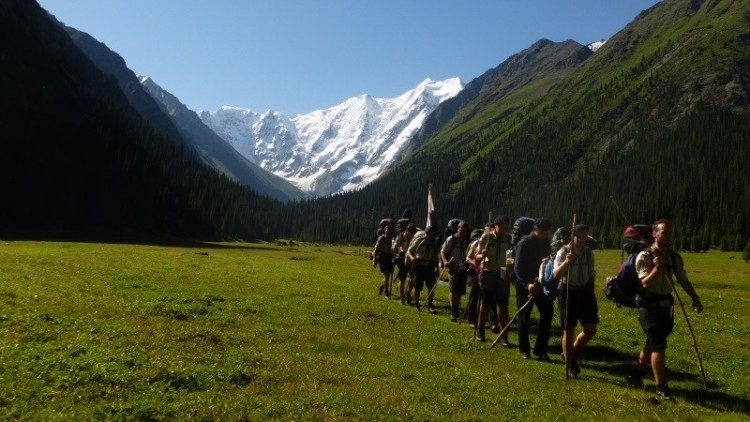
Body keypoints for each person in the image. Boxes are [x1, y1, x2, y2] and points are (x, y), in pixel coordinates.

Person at [628, 219, 703, 401]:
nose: (668, 236)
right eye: (664, 233)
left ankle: (636, 376)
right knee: (658, 345)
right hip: (648, 303)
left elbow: (683, 280)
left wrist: (694, 298)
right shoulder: (645, 256)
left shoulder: (675, 257)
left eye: (670, 233)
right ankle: (661, 388)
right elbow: (645, 282)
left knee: (652, 343)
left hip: (666, 305)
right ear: (654, 234)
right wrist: (657, 269)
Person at [553, 224, 598, 378]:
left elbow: (591, 275)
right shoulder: (563, 251)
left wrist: (591, 294)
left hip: (584, 292)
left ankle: (571, 351)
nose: (583, 239)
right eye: (580, 236)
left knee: (591, 328)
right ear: (573, 236)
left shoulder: (588, 253)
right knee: (569, 329)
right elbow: (556, 276)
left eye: (585, 236)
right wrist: (566, 262)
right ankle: (570, 362)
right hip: (567, 291)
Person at [513, 218, 554, 360]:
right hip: (525, 284)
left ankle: (540, 350)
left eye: (546, 233)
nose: (543, 235)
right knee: (524, 316)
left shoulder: (547, 244)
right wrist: (527, 285)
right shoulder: (524, 243)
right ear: (534, 229)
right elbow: (517, 269)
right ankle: (524, 349)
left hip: (541, 284)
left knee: (547, 313)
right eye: (541, 232)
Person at [472, 216, 512, 342]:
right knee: (485, 302)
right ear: (495, 226)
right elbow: (476, 256)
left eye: (506, 227)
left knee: (504, 305)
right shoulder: (487, 237)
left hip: (503, 271)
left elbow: (511, 254)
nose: (504, 230)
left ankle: (504, 334)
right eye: (501, 227)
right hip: (489, 271)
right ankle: (480, 329)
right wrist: (482, 254)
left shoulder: (508, 238)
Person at [440, 221, 470, 321]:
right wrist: (445, 261)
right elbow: (443, 251)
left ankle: (455, 309)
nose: (463, 231)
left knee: (460, 290)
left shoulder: (467, 240)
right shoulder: (451, 239)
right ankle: (453, 312)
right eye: (462, 229)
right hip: (453, 267)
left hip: (463, 267)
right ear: (458, 228)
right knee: (454, 290)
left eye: (465, 230)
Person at [407, 225, 440, 312]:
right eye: (428, 233)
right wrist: (412, 258)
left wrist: (437, 268)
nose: (429, 235)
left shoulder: (434, 243)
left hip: (430, 266)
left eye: (431, 234)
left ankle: (430, 305)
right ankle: (417, 303)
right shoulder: (419, 240)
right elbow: (410, 251)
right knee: (417, 286)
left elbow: (436, 257)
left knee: (431, 286)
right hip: (419, 265)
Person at [465, 228, 485, 327]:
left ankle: (483, 319)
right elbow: (468, 258)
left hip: (485, 273)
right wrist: (476, 265)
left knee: (485, 297)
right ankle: (471, 319)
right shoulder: (475, 244)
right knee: (474, 296)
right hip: (474, 272)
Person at [393, 223, 417, 304]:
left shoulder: (415, 237)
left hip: (411, 259)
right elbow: (395, 247)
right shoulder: (401, 236)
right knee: (402, 278)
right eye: (410, 232)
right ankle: (402, 297)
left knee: (412, 279)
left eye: (413, 233)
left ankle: (408, 292)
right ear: (407, 230)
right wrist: (397, 247)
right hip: (402, 259)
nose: (411, 235)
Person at [373, 220, 395, 297]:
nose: (388, 230)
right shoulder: (381, 238)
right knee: (386, 275)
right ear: (384, 230)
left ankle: (382, 287)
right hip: (383, 257)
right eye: (387, 229)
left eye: (390, 229)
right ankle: (386, 291)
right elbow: (376, 250)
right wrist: (374, 261)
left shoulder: (393, 239)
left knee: (388, 276)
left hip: (390, 258)